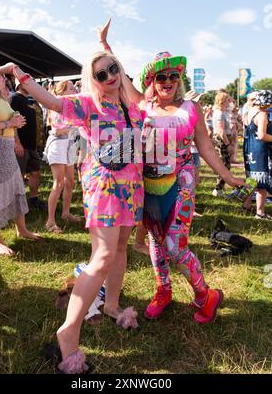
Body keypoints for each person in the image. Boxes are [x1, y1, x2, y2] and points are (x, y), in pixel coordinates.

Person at [0, 57, 144, 374]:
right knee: (102, 256)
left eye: (114, 69)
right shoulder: (88, 104)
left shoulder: (133, 107)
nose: (110, 76)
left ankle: (112, 305)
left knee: (120, 248)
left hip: (132, 187)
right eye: (101, 73)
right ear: (93, 79)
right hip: (104, 187)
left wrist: (107, 49)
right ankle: (69, 328)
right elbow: (51, 100)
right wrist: (18, 73)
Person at [99, 20, 244, 325]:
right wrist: (106, 47)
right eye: (161, 76)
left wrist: (227, 176)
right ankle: (163, 290)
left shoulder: (191, 110)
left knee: (174, 246)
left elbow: (205, 147)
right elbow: (119, 76)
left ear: (179, 79)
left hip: (181, 182)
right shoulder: (143, 105)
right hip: (149, 185)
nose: (168, 81)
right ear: (153, 80)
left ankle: (206, 295)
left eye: (173, 76)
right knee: (154, 240)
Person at [0, 64, 42, 256]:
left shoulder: (2, 97)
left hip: (6, 149)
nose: (5, 79)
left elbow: (10, 123)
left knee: (15, 188)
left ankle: (22, 230)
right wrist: (9, 123)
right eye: (0, 76)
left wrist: (15, 128)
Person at [44, 80, 82, 233]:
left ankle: (66, 213)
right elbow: (58, 131)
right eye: (71, 88)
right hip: (58, 145)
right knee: (58, 183)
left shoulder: (70, 105)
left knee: (70, 181)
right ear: (62, 91)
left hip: (69, 145)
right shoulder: (57, 105)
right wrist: (77, 124)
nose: (75, 90)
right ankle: (50, 222)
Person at [11, 84, 45, 210]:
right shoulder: (15, 98)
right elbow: (12, 121)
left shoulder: (29, 99)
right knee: (19, 175)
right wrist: (17, 142)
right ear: (19, 85)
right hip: (21, 145)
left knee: (35, 172)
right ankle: (17, 205)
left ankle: (34, 199)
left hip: (32, 145)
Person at [243, 90, 272, 219]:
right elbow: (262, 135)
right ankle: (260, 213)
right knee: (261, 182)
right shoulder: (262, 114)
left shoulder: (250, 111)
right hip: (259, 150)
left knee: (251, 180)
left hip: (249, 148)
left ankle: (246, 205)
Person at [212, 92, 232, 196]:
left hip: (222, 139)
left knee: (225, 164)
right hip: (221, 140)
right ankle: (218, 189)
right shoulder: (219, 112)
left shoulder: (221, 111)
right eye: (228, 100)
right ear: (223, 101)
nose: (230, 102)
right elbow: (221, 130)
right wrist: (228, 144)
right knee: (224, 165)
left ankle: (219, 188)